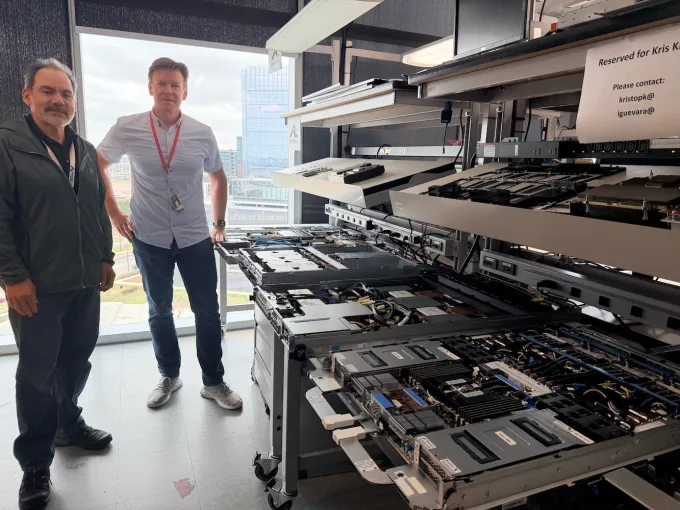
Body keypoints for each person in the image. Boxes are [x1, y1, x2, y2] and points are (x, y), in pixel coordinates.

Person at [0, 58, 116, 510]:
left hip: (84, 281)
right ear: (27, 95)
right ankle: (34, 463)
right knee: (37, 374)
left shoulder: (83, 149)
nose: (58, 100)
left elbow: (97, 206)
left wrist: (105, 257)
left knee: (75, 360)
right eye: (48, 91)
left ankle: (69, 422)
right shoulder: (7, 145)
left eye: (66, 94)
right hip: (38, 286)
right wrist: (12, 276)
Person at [97, 57, 242, 411]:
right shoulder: (128, 127)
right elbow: (96, 165)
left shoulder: (201, 132)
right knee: (158, 310)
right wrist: (114, 211)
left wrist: (219, 224)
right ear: (150, 88)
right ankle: (169, 375)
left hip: (194, 237)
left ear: (185, 92)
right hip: (149, 236)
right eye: (161, 83)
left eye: (175, 85)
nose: (168, 90)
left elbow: (218, 178)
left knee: (207, 311)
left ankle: (214, 381)